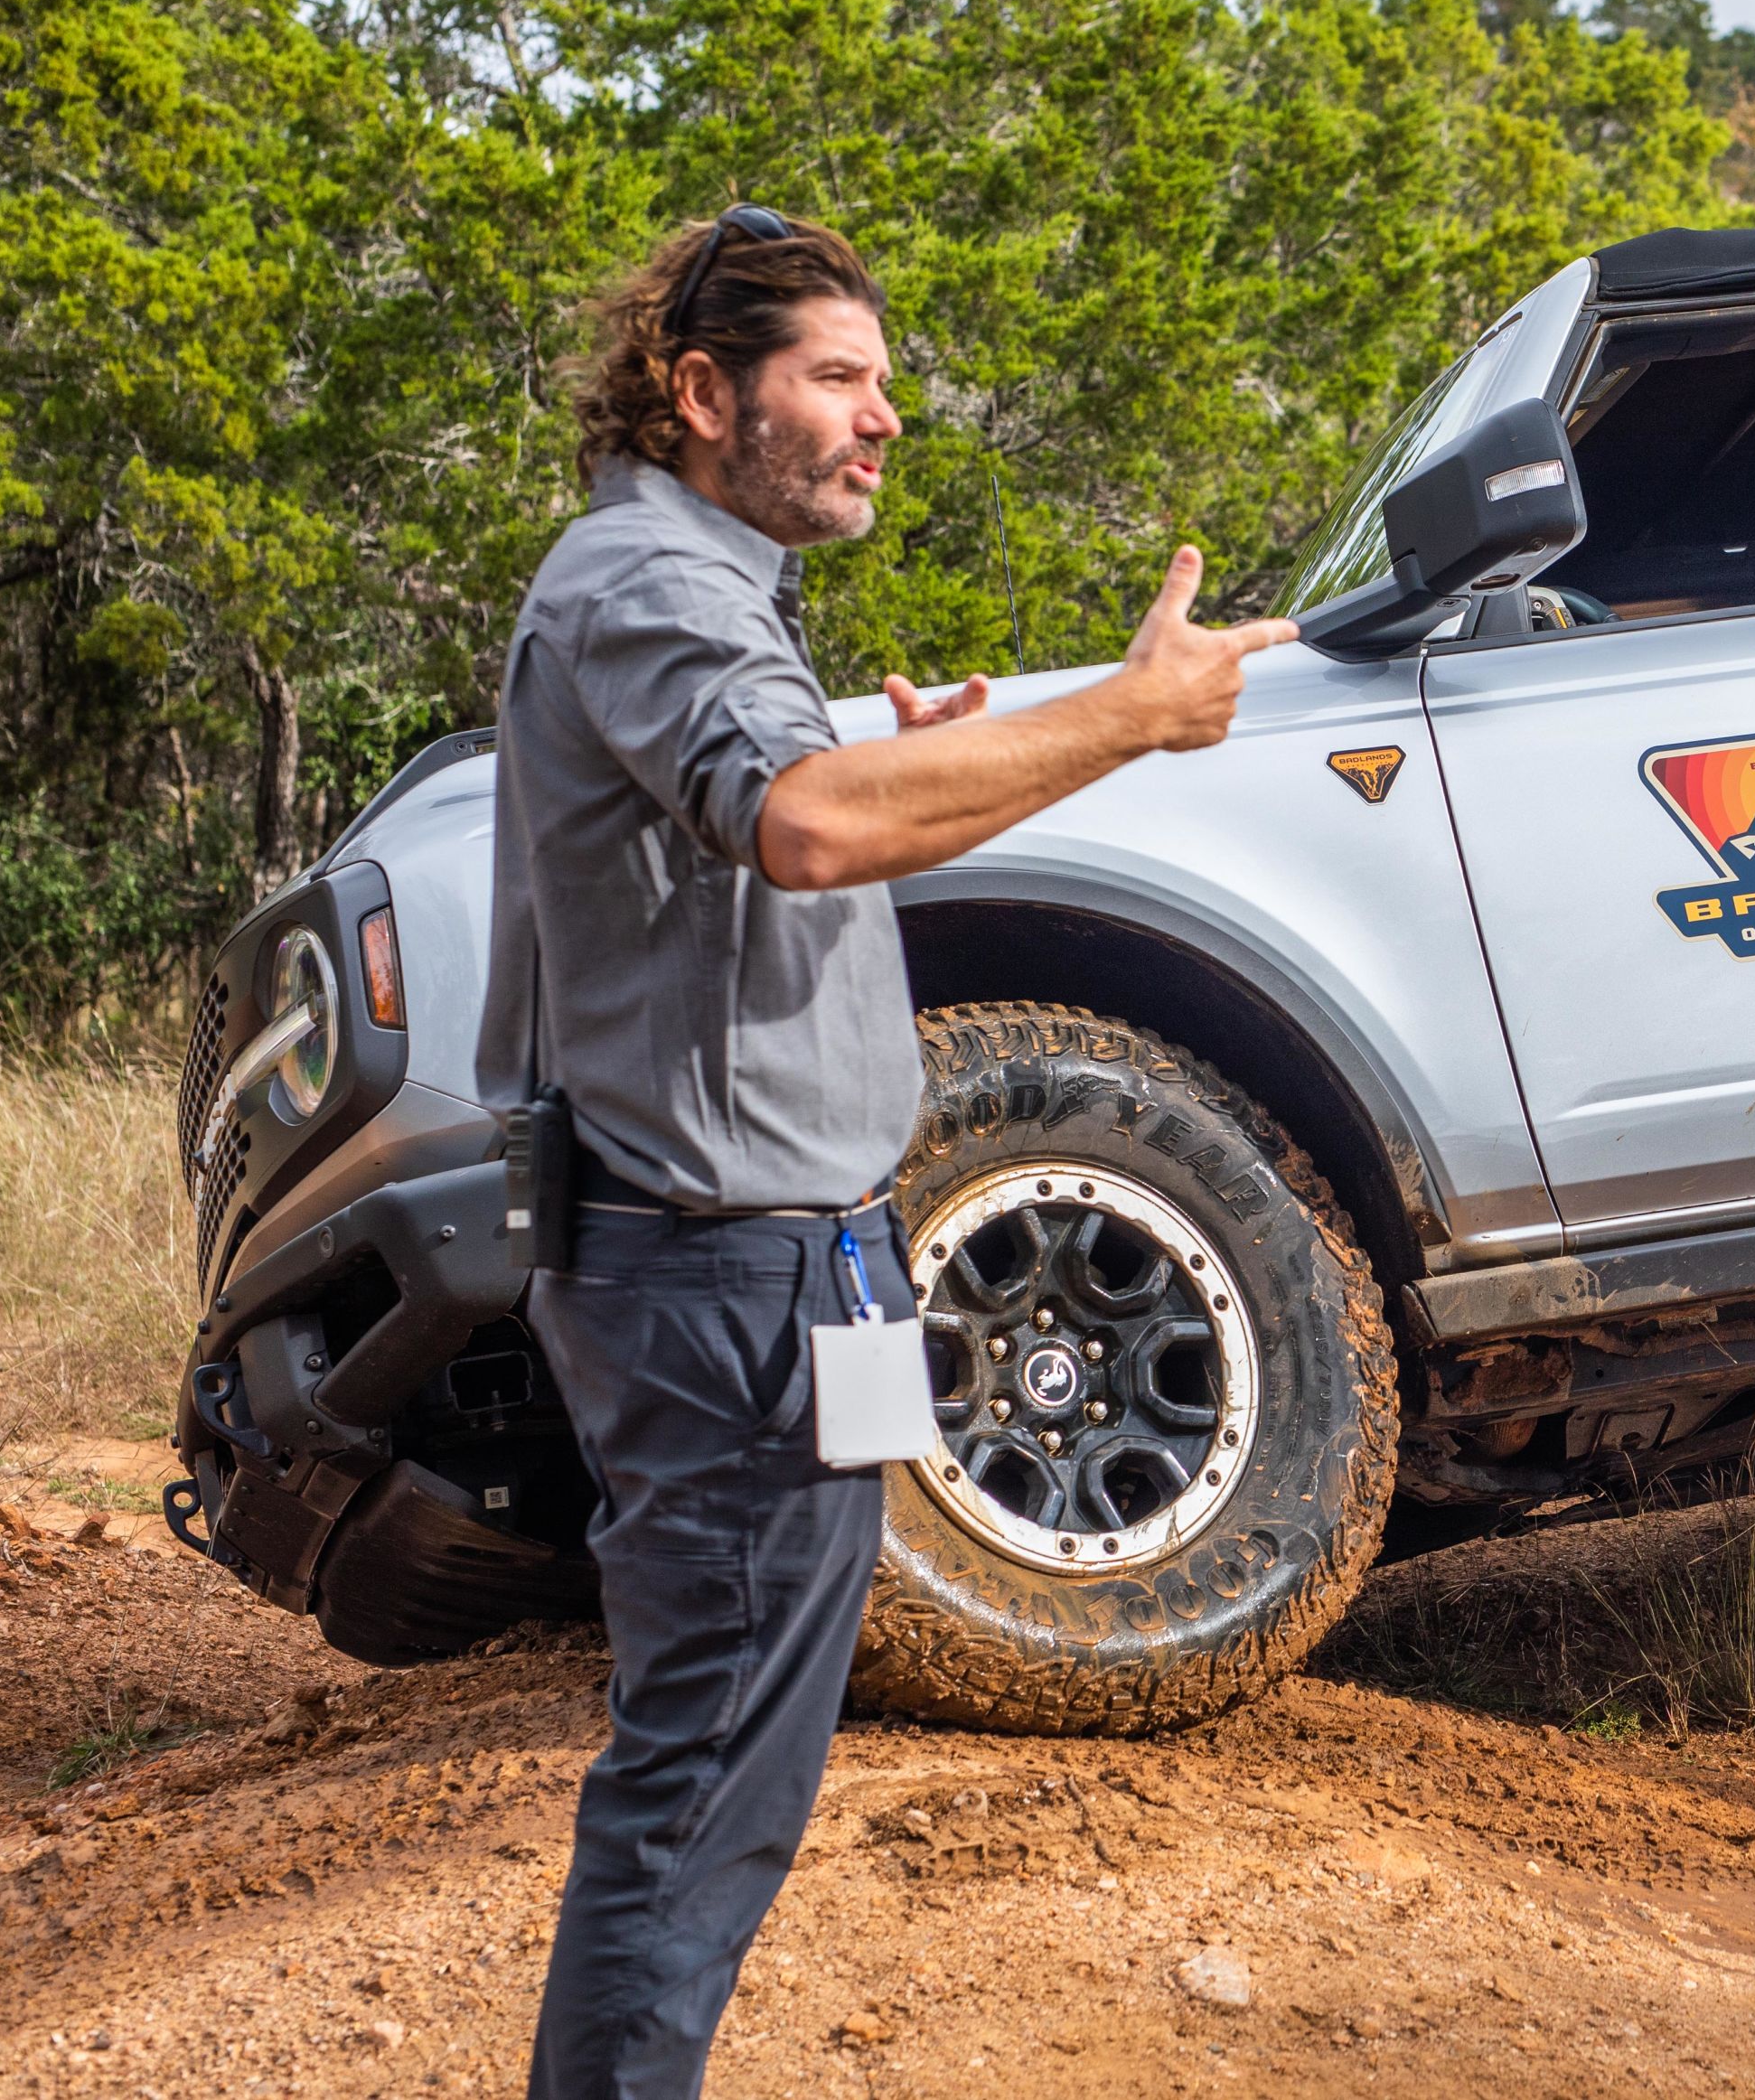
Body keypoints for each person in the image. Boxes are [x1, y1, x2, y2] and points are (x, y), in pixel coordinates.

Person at [480, 205, 1295, 2100]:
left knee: (729, 1760)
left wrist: (911, 762)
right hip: (715, 1272)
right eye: (837, 376)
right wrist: (1124, 715)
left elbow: (793, 833)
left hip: (780, 1259)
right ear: (703, 392)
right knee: (700, 1781)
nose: (885, 416)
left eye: (880, 377)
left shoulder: (712, 585)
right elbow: (807, 828)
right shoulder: (649, 584)